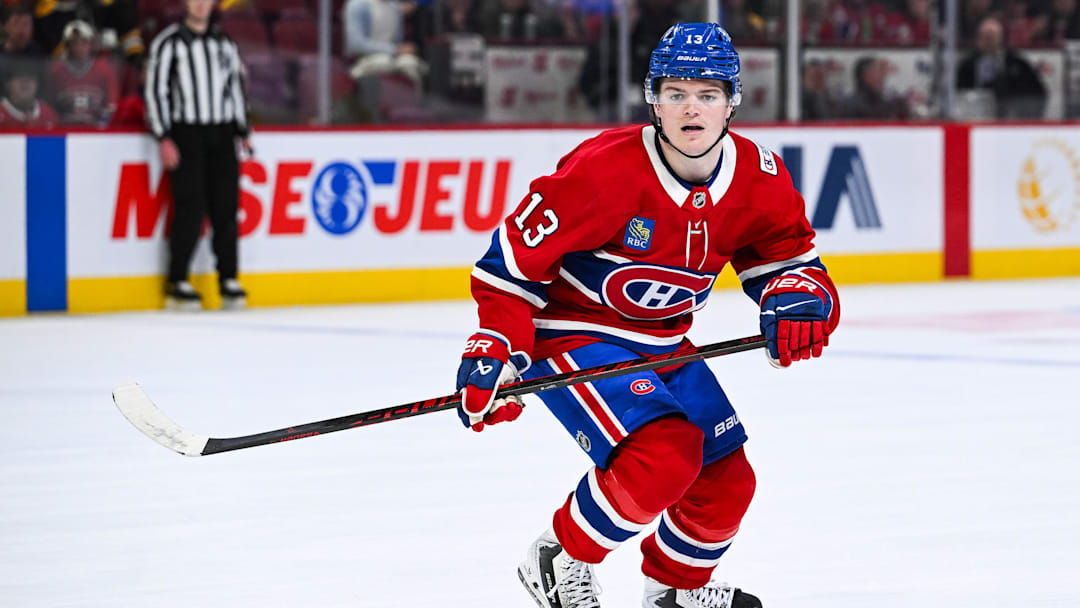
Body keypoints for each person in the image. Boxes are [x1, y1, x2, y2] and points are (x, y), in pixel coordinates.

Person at [454, 22, 840, 608]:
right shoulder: (603, 169)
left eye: (708, 94)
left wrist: (797, 298)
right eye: (676, 93)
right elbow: (509, 267)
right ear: (652, 97)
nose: (692, 109)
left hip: (664, 340)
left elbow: (789, 259)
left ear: (732, 101)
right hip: (572, 333)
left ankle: (674, 591)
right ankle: (559, 559)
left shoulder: (760, 177)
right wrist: (497, 348)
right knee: (665, 455)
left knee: (728, 483)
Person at [145, 0, 252, 310]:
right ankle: (178, 278)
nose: (202, 4)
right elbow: (156, 91)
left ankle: (228, 278)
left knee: (226, 208)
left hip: (222, 133)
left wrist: (242, 131)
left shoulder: (224, 43)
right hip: (187, 133)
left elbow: (235, 88)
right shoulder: (169, 43)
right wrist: (163, 136)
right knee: (190, 207)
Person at [956, 15, 1047, 120]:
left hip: (1011, 121)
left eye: (992, 37)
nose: (988, 41)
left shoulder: (1018, 64)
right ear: (978, 39)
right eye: (985, 37)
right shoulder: (966, 66)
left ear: (1001, 38)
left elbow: (1037, 95)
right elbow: (958, 95)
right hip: (977, 120)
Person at [47, 20, 119, 125]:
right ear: (67, 46)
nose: (79, 47)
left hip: (96, 131)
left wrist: (101, 129)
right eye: (74, 42)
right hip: (65, 130)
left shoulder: (105, 69)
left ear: (91, 44)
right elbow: (49, 107)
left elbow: (112, 105)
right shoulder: (56, 70)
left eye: (84, 42)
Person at [0, 57, 58, 127]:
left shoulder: (48, 113)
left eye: (30, 76)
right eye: (19, 76)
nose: (25, 81)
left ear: (38, 84)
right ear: (8, 84)